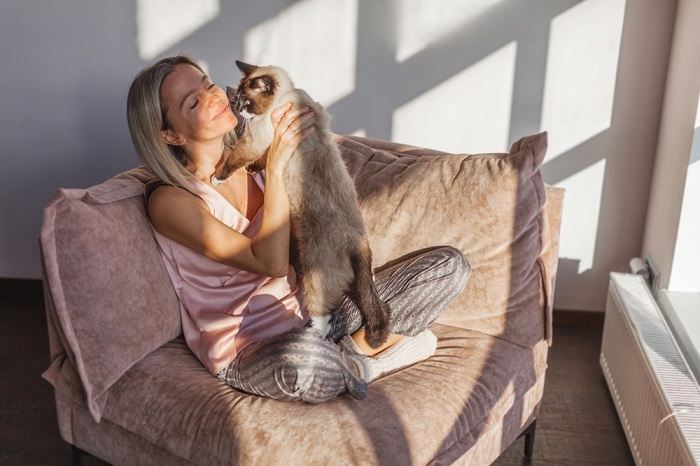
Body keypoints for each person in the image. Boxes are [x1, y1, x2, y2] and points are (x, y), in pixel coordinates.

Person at [125, 54, 472, 402]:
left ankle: (350, 353)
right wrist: (275, 166)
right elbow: (270, 263)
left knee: (449, 267)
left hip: (313, 319)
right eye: (194, 101)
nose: (215, 96)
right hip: (251, 347)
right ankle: (369, 364)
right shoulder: (170, 201)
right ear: (170, 135)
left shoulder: (253, 164)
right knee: (302, 363)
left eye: (208, 83)